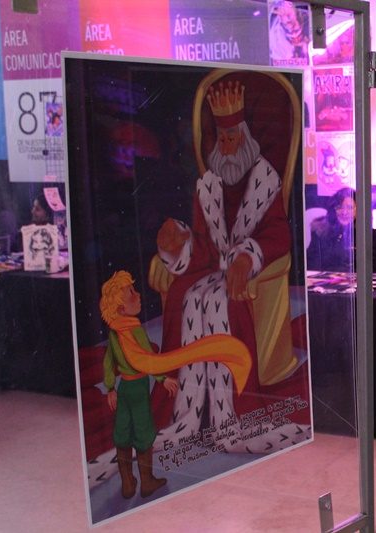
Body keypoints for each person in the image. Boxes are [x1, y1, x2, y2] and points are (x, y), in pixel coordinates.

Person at [154, 78, 302, 452]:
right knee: (190, 298)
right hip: (212, 272)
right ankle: (190, 412)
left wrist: (247, 257)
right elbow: (204, 247)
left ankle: (229, 413)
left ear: (245, 138)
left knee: (221, 299)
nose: (227, 146)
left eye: (233, 138)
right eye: (221, 139)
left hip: (244, 274)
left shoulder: (266, 182)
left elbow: (278, 234)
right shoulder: (207, 187)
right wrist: (180, 244)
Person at [100, 271, 178, 499]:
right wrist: (163, 378)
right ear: (121, 308)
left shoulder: (115, 332)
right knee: (143, 433)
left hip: (124, 388)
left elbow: (108, 361)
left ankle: (127, 483)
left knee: (123, 432)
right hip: (139, 387)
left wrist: (111, 388)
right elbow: (148, 360)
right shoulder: (134, 329)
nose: (138, 295)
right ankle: (146, 482)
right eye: (131, 293)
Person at [307, 187, 356, 272]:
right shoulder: (321, 232)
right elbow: (312, 265)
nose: (344, 212)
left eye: (350, 207)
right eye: (339, 207)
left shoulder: (369, 235)